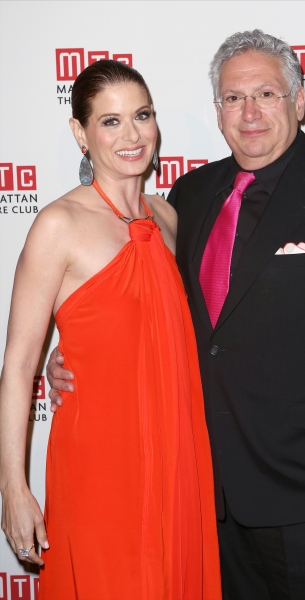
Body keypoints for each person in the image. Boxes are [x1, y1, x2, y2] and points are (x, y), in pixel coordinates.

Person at [47, 31, 305, 600]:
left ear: (299, 101)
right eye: (232, 98)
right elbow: (155, 307)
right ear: (217, 110)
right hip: (203, 494)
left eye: (266, 95)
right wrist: (75, 350)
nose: (248, 113)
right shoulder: (191, 195)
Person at [0, 59, 221, 600]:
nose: (132, 134)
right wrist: (12, 486)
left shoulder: (170, 218)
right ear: (80, 132)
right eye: (111, 121)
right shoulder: (59, 224)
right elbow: (20, 366)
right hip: (100, 459)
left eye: (142, 115)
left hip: (176, 454)